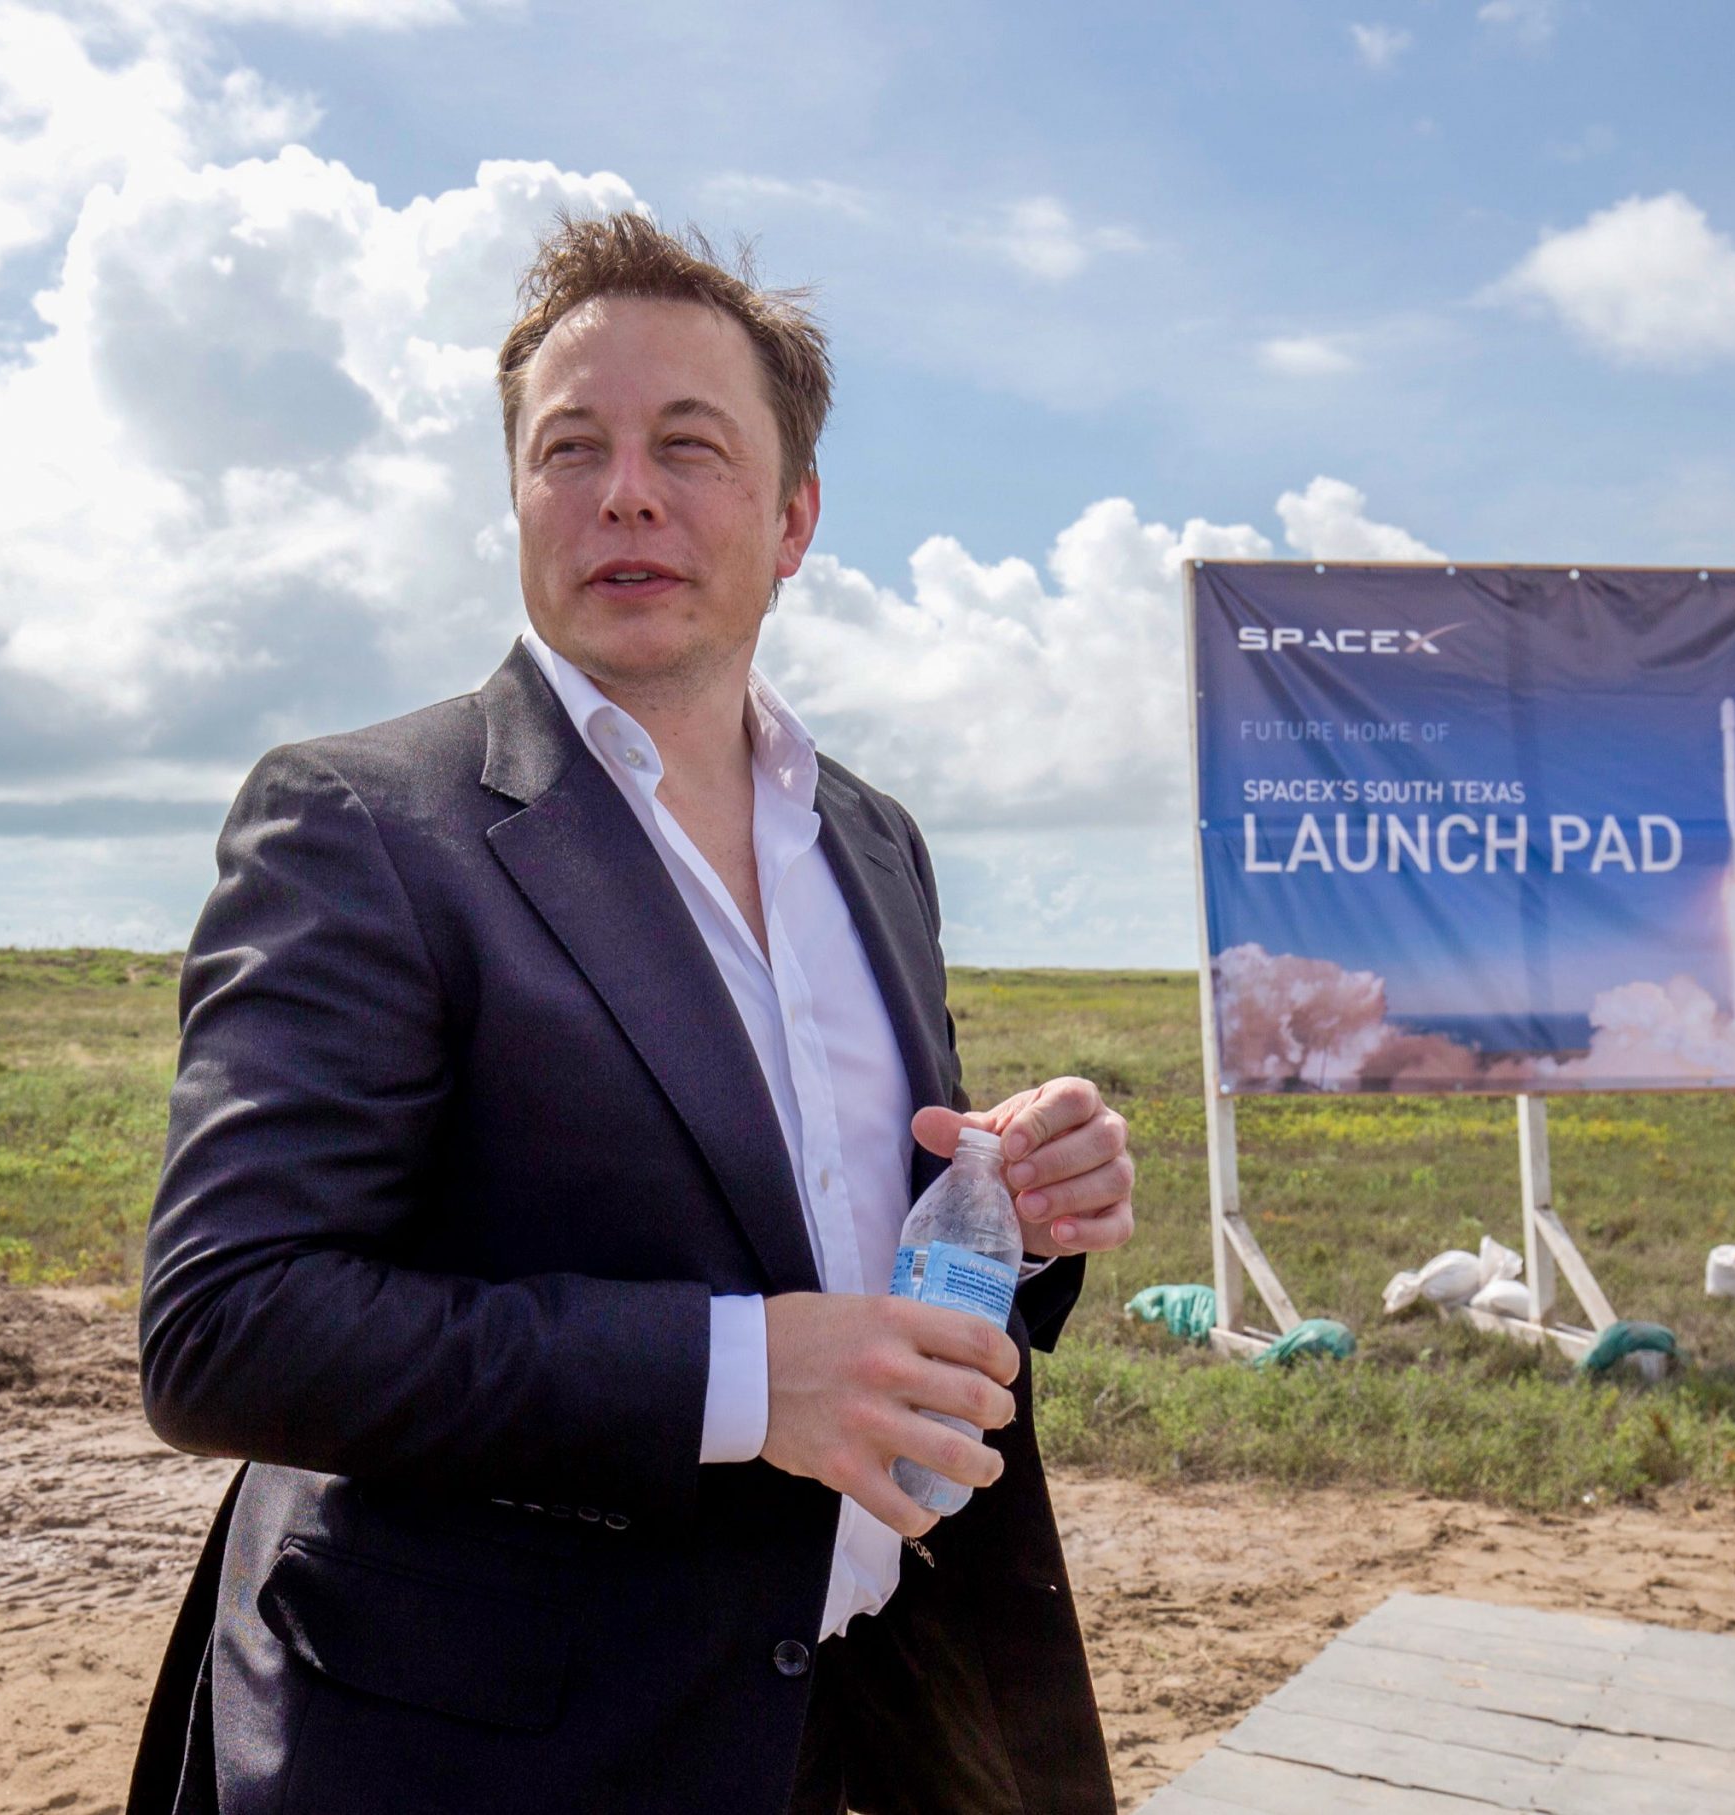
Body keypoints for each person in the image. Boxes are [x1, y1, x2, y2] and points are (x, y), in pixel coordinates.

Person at [126, 214, 1133, 1814]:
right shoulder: (364, 824)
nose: (626, 491)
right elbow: (228, 1325)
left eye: (690, 444)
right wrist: (744, 1375)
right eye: (570, 447)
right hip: (480, 1758)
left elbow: (818, 1222)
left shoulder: (869, 837)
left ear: (795, 516)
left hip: (845, 1720)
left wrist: (1020, 1206)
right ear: (519, 497)